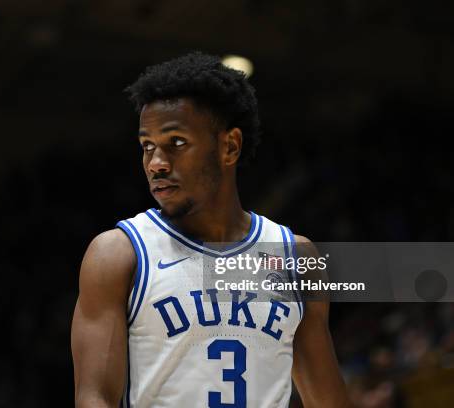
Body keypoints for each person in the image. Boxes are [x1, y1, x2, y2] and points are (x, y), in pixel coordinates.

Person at [71, 52, 351, 408]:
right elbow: (94, 398)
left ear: (229, 147)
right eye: (147, 146)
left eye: (176, 143)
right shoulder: (117, 254)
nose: (156, 163)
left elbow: (328, 401)